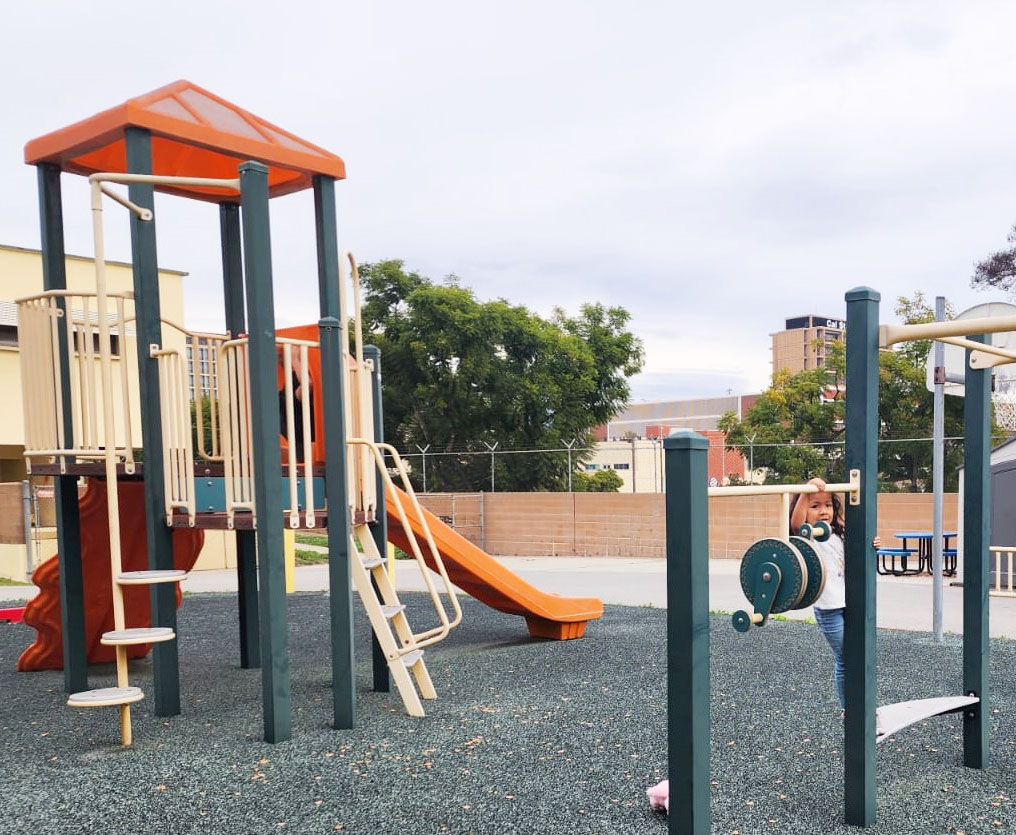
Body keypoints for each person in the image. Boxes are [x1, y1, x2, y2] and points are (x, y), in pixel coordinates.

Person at [790, 476, 879, 711]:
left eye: (827, 505)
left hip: (849, 603)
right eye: (815, 506)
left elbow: (856, 556)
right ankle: (850, 710)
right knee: (846, 658)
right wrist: (805, 491)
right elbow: (796, 523)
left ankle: (860, 706)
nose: (823, 511)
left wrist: (873, 545)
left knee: (855, 655)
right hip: (828, 608)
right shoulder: (809, 535)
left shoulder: (839, 534)